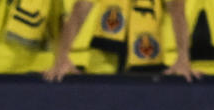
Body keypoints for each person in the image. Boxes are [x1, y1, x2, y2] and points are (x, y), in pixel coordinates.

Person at [45, 0, 198, 80]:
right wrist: (62, 57)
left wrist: (183, 59)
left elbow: (177, 10)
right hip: (104, 55)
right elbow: (80, 9)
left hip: (147, 58)